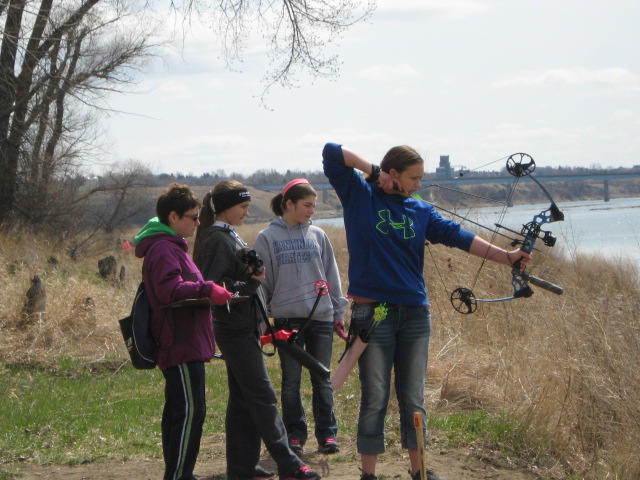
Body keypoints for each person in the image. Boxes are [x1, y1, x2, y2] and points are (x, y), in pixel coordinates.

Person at [322, 143, 532, 480]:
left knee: (413, 397)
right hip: (374, 313)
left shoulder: (420, 211)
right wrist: (375, 172)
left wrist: (506, 257)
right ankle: (369, 475)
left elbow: (458, 236)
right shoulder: (359, 195)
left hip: (416, 313)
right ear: (394, 175)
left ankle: (419, 471)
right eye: (414, 177)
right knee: (375, 395)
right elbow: (333, 152)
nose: (419, 183)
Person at [192, 180, 321, 480]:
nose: (247, 213)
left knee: (243, 401)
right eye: (243, 207)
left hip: (243, 327)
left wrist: (251, 280)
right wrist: (252, 282)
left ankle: (242, 468)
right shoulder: (216, 238)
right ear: (226, 207)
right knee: (263, 396)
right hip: (233, 329)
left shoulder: (227, 235)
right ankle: (288, 464)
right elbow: (215, 286)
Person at [133, 183, 232, 480]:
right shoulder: (164, 248)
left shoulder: (173, 246)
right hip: (179, 344)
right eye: (192, 217)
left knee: (181, 412)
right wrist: (208, 288)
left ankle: (180, 474)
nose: (198, 223)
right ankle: (178, 475)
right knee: (190, 413)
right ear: (173, 217)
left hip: (186, 343)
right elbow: (168, 290)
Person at [253, 178, 349, 455]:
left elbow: (331, 274)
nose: (311, 211)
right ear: (289, 204)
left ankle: (327, 435)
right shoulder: (266, 238)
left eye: (314, 205)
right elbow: (261, 284)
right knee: (291, 380)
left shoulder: (318, 235)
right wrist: (262, 321)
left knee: (322, 378)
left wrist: (338, 311)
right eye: (307, 205)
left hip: (320, 317)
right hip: (286, 322)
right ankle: (294, 435)